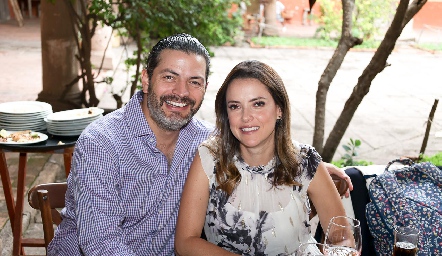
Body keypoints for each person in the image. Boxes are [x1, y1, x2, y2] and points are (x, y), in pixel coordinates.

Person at [48, 34, 351, 255]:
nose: (181, 92)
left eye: (194, 81)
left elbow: (251, 139)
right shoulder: (102, 144)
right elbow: (101, 245)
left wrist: (310, 167)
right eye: (170, 77)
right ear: (145, 79)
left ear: (205, 87)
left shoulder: (202, 139)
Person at [175, 60, 350, 255]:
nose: (246, 117)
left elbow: (342, 240)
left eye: (257, 104)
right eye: (235, 106)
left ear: (279, 109)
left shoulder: (306, 162)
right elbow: (185, 243)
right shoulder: (210, 158)